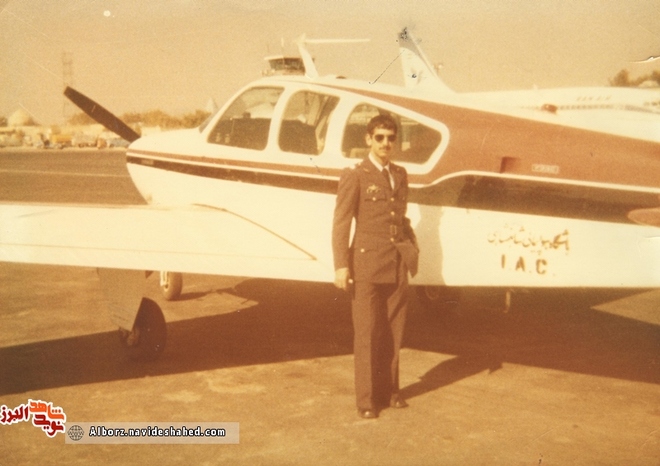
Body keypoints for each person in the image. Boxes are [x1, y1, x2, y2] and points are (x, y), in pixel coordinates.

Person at [332, 113, 419, 419]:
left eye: (391, 138)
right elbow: (342, 222)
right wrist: (341, 265)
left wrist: (411, 247)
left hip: (396, 263)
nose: (385, 143)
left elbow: (400, 217)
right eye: (379, 137)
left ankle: (389, 392)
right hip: (366, 263)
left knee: (394, 332)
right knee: (367, 334)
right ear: (368, 139)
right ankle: (367, 401)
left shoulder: (400, 174)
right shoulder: (356, 175)